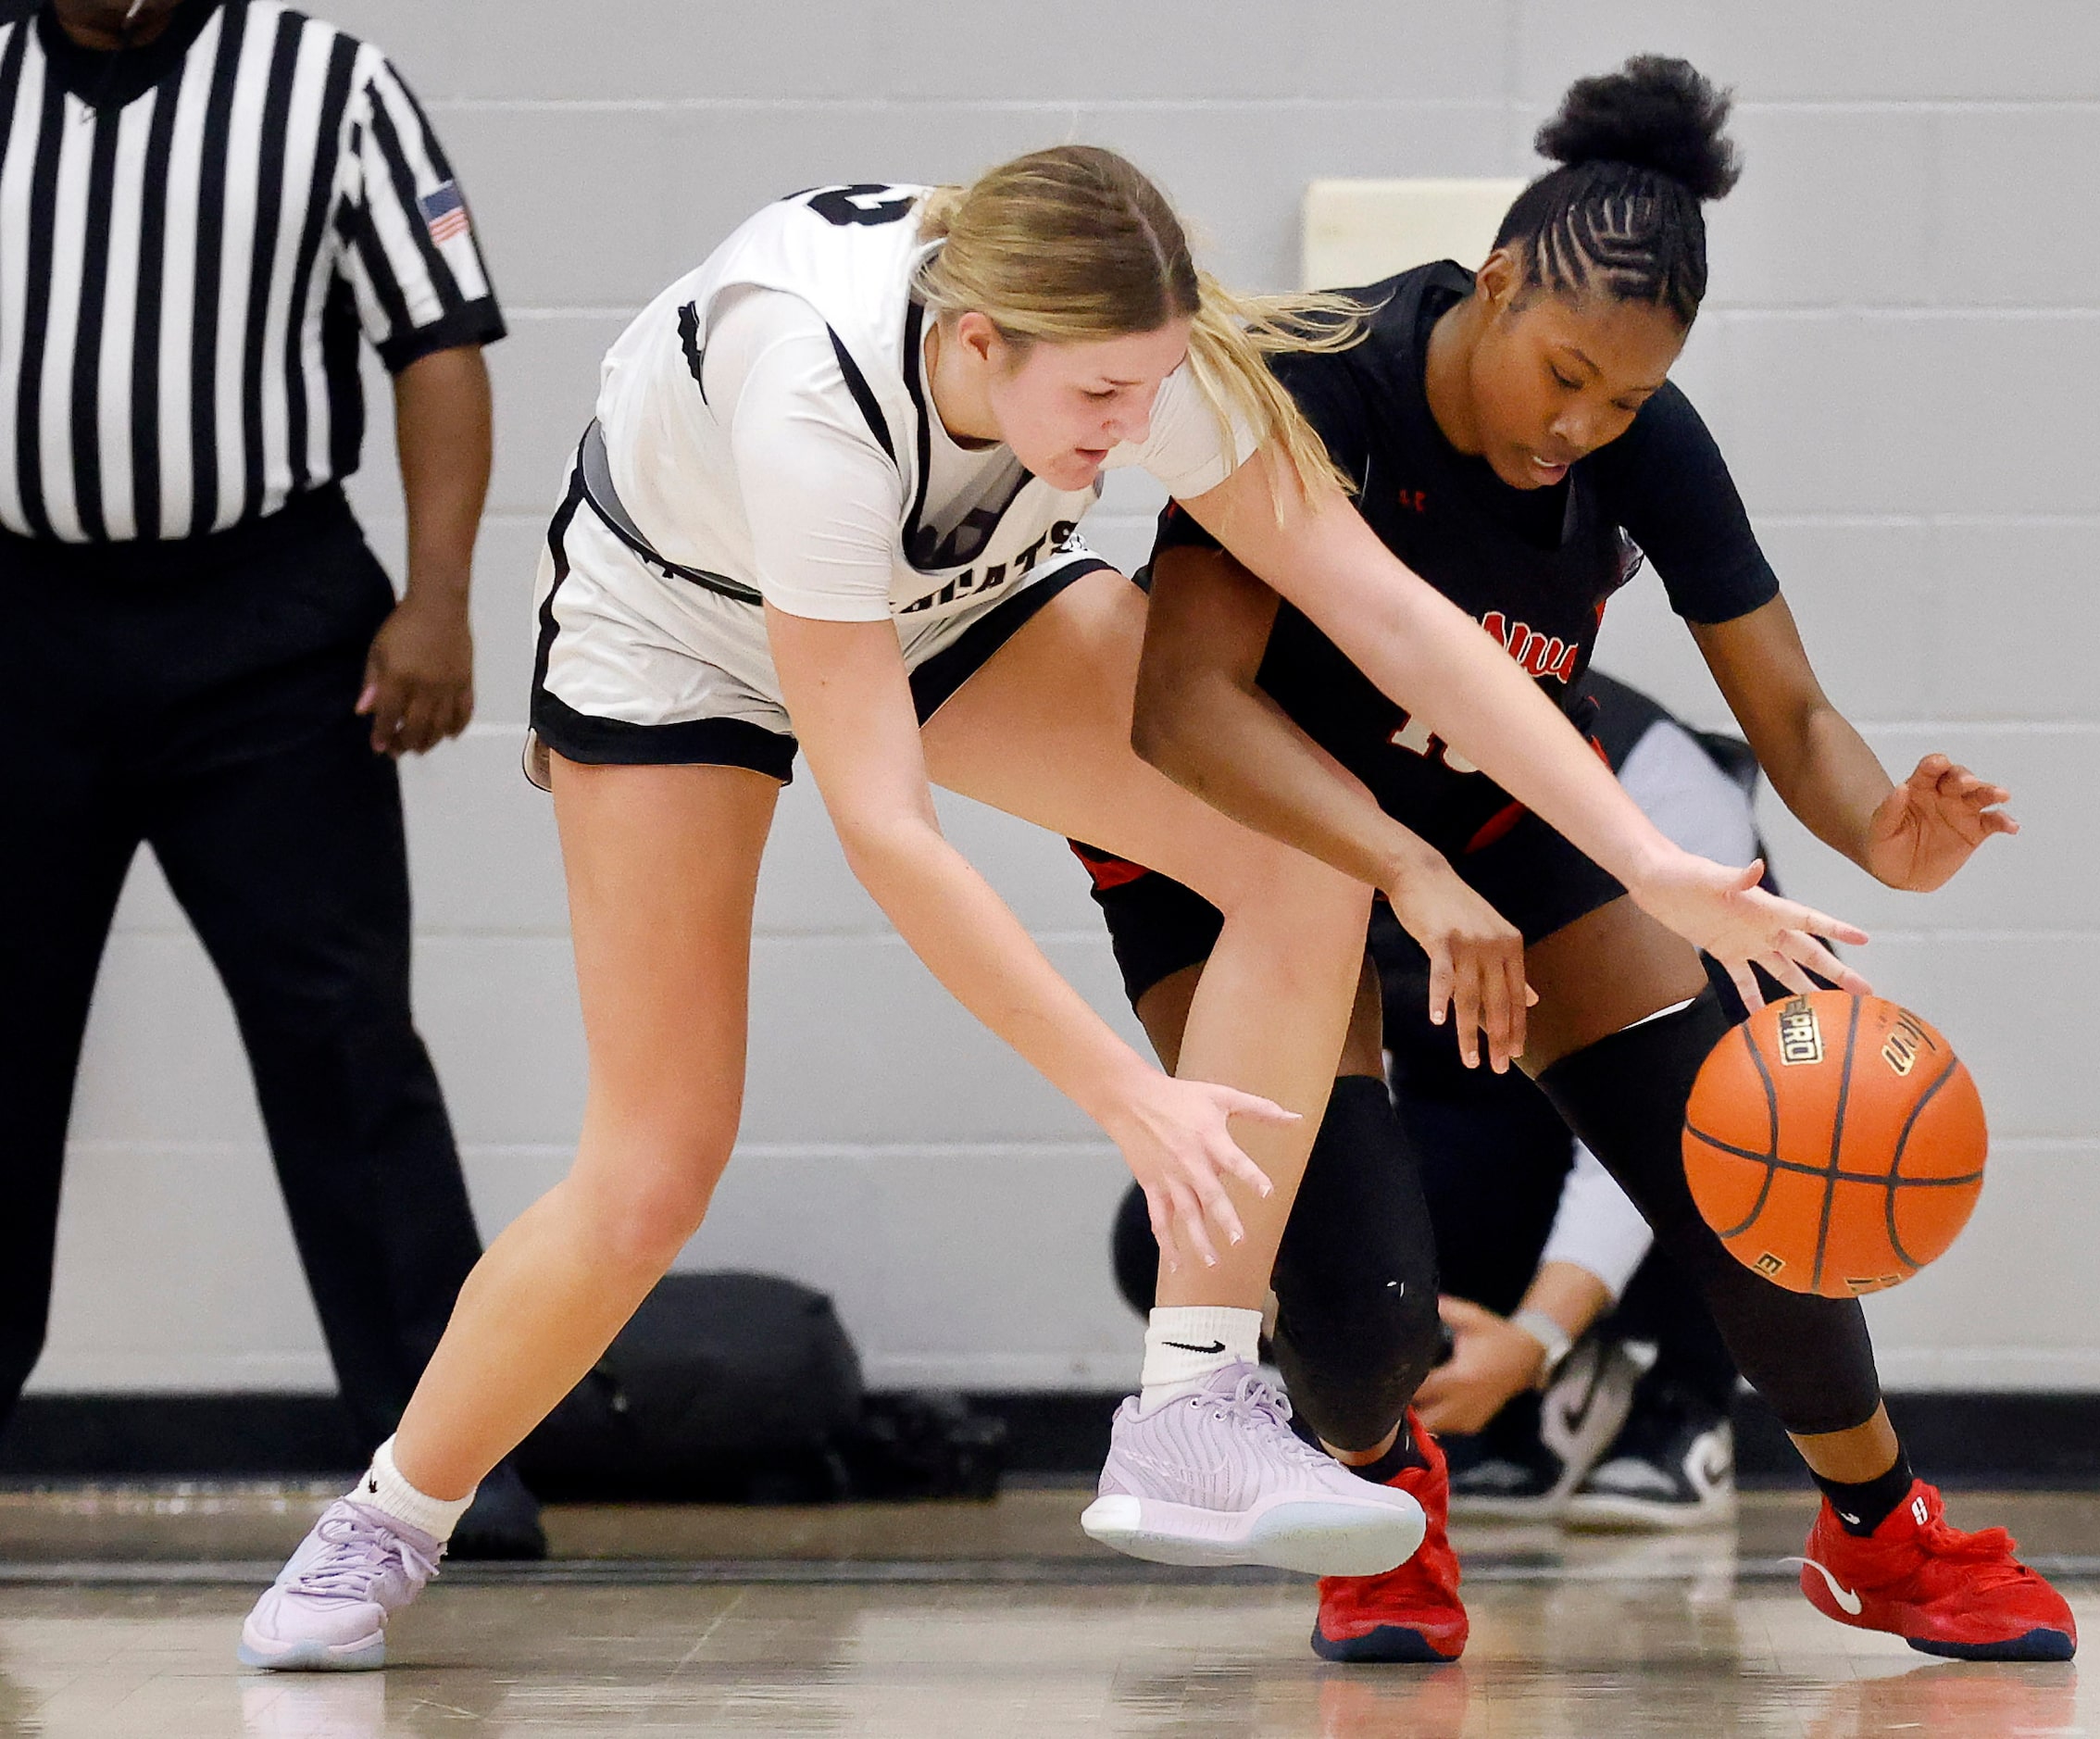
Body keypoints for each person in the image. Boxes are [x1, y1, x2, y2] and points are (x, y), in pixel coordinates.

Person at [236, 144, 1864, 1670]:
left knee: (1304, 845)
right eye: (1100, 399)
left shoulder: (1128, 353)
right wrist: (1122, 1089)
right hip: (683, 633)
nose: (1129, 433)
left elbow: (1398, 618)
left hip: (955, 591)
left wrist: (1640, 853)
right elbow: (888, 825)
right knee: (654, 1167)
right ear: (977, 339)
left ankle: (1191, 1401)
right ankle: (391, 1514)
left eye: (1150, 394)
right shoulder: (809, 386)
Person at [1075, 57, 2076, 1666]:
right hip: (1234, 829)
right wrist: (1398, 868)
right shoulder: (1317, 374)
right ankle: (1382, 1486)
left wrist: (1892, 828)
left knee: (1747, 1162)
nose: (1578, 427)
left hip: (1483, 817)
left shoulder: (1641, 441)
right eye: (1561, 377)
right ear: (1490, 283)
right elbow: (1181, 709)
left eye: (1621, 398)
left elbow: (1794, 710)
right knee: (1362, 1319)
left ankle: (1881, 1536)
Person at [0, 0, 538, 1555]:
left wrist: (436, 595)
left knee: (343, 1041)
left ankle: (449, 1467)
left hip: (266, 616)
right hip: (18, 622)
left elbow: (439, 343)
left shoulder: (329, 83)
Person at [1104, 670, 1756, 1531]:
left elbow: (1649, 1114)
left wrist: (1538, 1334)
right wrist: (1350, 1320)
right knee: (1187, 1218)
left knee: (1737, 1126)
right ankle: (1488, 1401)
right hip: (1481, 1097)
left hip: (1680, 1100)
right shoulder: (1297, 768)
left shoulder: (1644, 773)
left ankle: (1683, 1401)